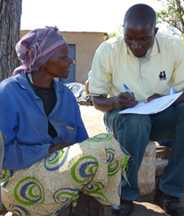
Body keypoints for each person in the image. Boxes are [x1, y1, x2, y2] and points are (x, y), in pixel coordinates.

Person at [88, 4, 184, 216]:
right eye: (129, 38)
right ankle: (125, 194)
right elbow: (96, 99)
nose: (136, 45)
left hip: (160, 115)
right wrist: (115, 101)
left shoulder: (173, 47)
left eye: (144, 39)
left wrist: (167, 98)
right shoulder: (107, 50)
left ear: (156, 32)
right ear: (122, 29)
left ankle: (169, 192)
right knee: (136, 121)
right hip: (122, 116)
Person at [0, 27, 126, 215]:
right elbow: (4, 154)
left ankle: (89, 203)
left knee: (109, 146)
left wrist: (69, 155)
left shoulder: (66, 96)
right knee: (94, 155)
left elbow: (83, 142)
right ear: (43, 60)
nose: (70, 61)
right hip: (20, 182)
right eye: (63, 57)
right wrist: (48, 150)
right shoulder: (8, 93)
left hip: (60, 176)